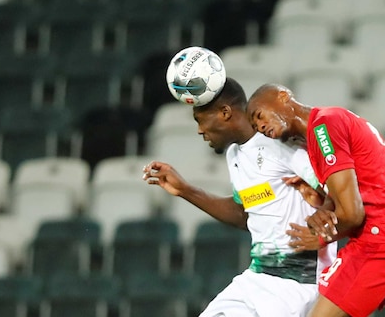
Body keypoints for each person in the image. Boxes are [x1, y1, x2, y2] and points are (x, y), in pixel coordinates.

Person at [143, 77, 337, 317]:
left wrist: (324, 215)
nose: (199, 130)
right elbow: (244, 214)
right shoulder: (235, 154)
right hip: (256, 278)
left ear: (225, 112)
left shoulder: (282, 142)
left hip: (299, 282)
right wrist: (185, 190)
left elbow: (339, 191)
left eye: (200, 120)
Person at [246, 83, 385, 317]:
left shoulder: (324, 126)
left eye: (260, 116)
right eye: (255, 126)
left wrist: (320, 237)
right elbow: (350, 191)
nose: (260, 126)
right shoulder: (323, 130)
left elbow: (353, 214)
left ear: (283, 96)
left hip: (384, 233)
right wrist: (324, 203)